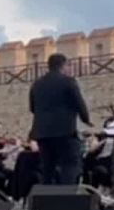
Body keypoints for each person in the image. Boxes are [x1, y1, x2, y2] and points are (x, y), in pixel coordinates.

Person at [29, 53, 92, 185]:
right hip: (65, 131)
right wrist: (86, 119)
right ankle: (66, 195)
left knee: (47, 168)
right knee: (70, 165)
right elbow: (79, 103)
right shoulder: (68, 81)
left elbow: (32, 108)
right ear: (63, 65)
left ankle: (46, 196)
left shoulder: (36, 84)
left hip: (42, 133)